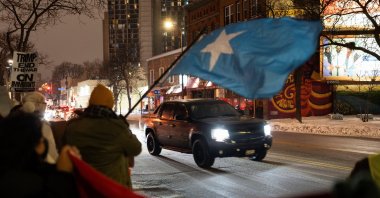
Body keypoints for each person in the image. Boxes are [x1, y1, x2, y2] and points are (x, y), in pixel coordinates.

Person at [64, 84, 142, 188]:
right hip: (111, 189)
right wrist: (125, 127)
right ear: (110, 104)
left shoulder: (73, 127)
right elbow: (135, 148)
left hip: (83, 188)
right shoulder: (116, 127)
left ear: (91, 103)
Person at [0, 111, 80, 198]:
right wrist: (64, 174)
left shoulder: (8, 172)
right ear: (35, 145)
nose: (44, 142)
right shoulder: (28, 185)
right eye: (41, 140)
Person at [9, 91, 59, 163]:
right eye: (44, 103)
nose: (45, 106)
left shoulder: (11, 122)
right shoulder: (42, 125)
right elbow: (52, 154)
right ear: (39, 105)